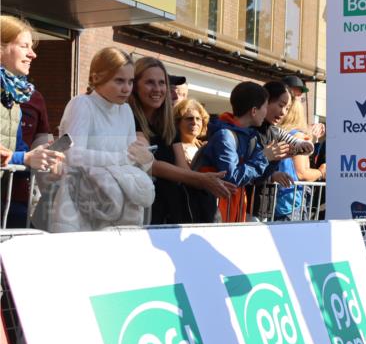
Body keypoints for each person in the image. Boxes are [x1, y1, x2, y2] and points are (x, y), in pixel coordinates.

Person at [50, 48, 154, 232]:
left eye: (130, 82)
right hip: (79, 201)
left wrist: (145, 159)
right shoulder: (82, 104)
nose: (126, 88)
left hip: (118, 204)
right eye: (119, 80)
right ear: (97, 78)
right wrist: (124, 158)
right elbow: (72, 154)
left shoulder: (126, 111)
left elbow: (131, 157)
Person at [131, 57, 235, 224]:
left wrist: (208, 181)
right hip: (139, 210)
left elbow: (182, 168)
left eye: (162, 83)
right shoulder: (129, 117)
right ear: (135, 86)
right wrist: (201, 179)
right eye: (150, 82)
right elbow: (150, 164)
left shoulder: (168, 125)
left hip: (170, 211)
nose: (158, 89)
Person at [1, 15, 63, 227]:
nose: (33, 54)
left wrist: (41, 154)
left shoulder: (14, 94)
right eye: (24, 46)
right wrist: (25, 158)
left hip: (10, 199)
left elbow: (16, 149)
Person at [195, 82, 274, 222]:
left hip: (234, 212)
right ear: (254, 111)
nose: (266, 112)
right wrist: (264, 157)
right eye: (265, 107)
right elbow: (232, 178)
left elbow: (255, 179)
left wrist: (275, 158)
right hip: (215, 212)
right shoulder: (225, 136)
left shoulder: (250, 137)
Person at [275, 90, 324, 220]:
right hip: (290, 203)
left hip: (275, 202)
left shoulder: (276, 134)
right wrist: (321, 172)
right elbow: (302, 174)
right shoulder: (297, 136)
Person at [172, 98, 210, 169]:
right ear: (177, 123)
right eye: (189, 118)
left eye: (198, 119)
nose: (194, 122)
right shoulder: (171, 148)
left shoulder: (205, 146)